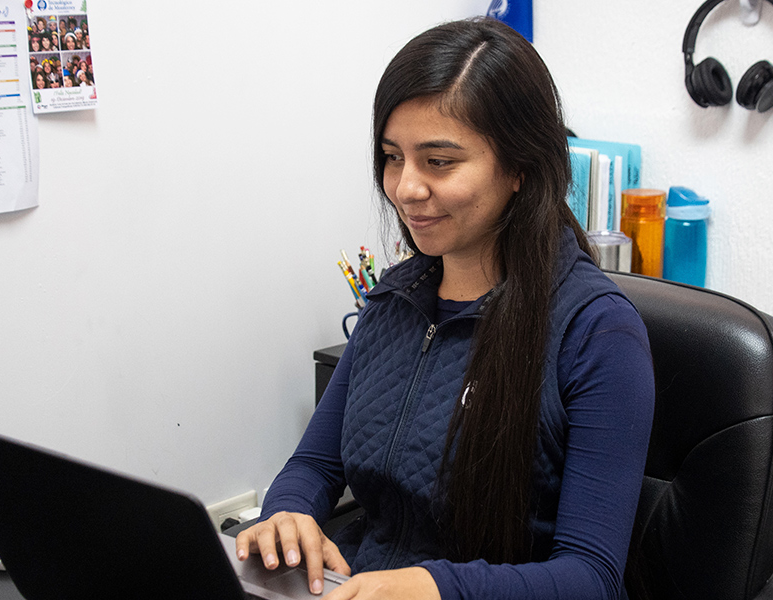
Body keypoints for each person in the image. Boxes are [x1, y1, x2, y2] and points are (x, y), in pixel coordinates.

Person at [236, 17, 654, 600]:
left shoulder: (597, 332)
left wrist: (431, 588)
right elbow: (315, 464)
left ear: (519, 168)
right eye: (391, 156)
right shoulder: (394, 299)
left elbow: (592, 578)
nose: (405, 187)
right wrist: (289, 514)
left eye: (438, 161)